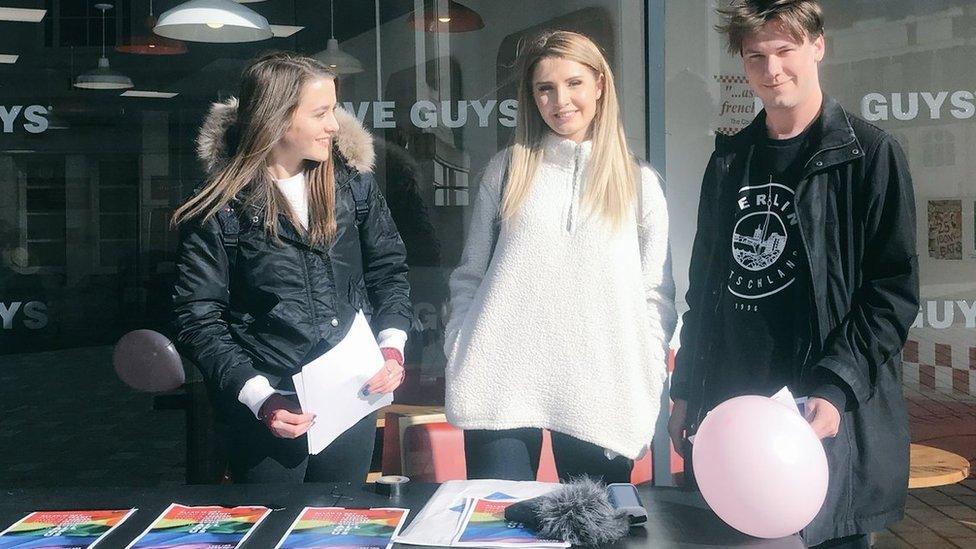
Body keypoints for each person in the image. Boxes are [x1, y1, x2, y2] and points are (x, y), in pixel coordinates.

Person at [668, 2, 919, 547]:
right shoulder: (731, 160)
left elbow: (890, 296)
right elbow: (705, 291)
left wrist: (834, 386)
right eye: (756, 56)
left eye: (785, 51)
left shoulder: (870, 155)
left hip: (822, 417)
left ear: (818, 47)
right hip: (736, 419)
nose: (772, 69)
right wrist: (685, 389)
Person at [444, 30, 677, 483]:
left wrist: (645, 369)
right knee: (500, 531)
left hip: (601, 388)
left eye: (574, 83)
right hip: (500, 380)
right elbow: (470, 274)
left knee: (593, 531)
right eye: (544, 88)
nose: (560, 101)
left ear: (599, 86)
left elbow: (656, 295)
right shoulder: (508, 169)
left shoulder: (639, 183)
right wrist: (460, 347)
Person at [172, 51, 413, 484]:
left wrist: (391, 344)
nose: (335, 125)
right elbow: (197, 318)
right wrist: (260, 397)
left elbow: (388, 271)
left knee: (341, 523)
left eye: (334, 110)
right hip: (265, 406)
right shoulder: (219, 206)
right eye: (321, 113)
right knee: (271, 529)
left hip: (350, 397)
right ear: (277, 119)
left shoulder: (354, 187)